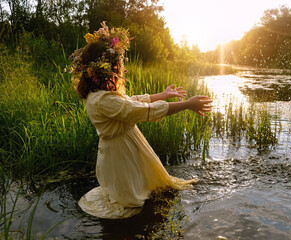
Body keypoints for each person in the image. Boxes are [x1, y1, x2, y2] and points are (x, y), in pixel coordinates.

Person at [68, 22, 212, 219]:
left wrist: (161, 94)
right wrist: (186, 104)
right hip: (119, 155)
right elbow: (138, 110)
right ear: (106, 69)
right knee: (130, 203)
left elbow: (130, 102)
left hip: (124, 147)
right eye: (118, 64)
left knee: (145, 188)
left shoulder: (100, 94)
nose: (121, 67)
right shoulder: (102, 99)